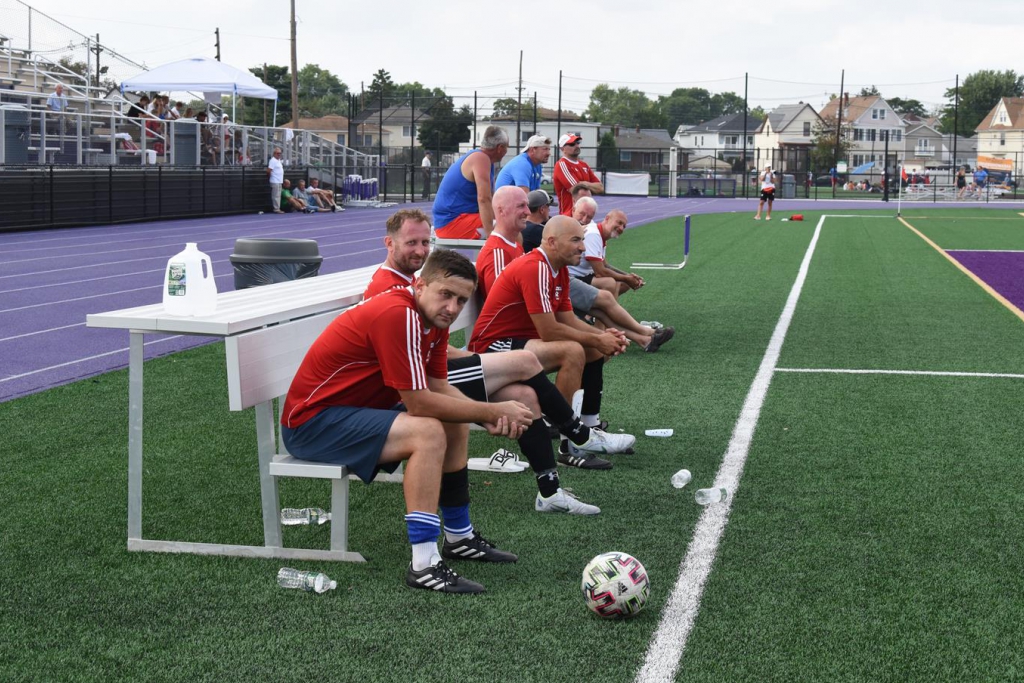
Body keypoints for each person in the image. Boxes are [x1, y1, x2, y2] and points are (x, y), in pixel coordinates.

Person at [282, 249, 533, 593]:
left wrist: (484, 415)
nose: (452, 307)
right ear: (420, 285)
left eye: (461, 300)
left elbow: (439, 387)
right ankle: (424, 564)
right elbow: (418, 403)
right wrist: (490, 412)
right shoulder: (397, 313)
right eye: (446, 294)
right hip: (310, 424)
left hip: (350, 413)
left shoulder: (432, 318)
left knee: (451, 421)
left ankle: (459, 536)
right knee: (427, 430)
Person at [365, 207, 612, 496]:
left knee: (524, 395)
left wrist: (478, 361)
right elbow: (413, 363)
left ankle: (550, 491)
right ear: (389, 243)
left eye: (424, 242)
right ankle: (578, 433)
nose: (420, 251)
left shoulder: (412, 282)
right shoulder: (388, 289)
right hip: (408, 388)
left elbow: (432, 348)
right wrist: (487, 377)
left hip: (431, 373)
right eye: (411, 243)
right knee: (526, 361)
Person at [470, 215, 636, 462]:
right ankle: (570, 445)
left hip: (518, 343)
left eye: (582, 240)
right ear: (552, 242)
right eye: (576, 240)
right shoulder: (535, 267)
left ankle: (590, 425)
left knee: (592, 350)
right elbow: (549, 331)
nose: (583, 247)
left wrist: (602, 337)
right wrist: (597, 339)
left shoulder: (557, 269)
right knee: (573, 351)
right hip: (491, 348)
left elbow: (567, 320)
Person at [568, 199, 674, 353]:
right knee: (609, 285)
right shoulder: (592, 234)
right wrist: (627, 278)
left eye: (624, 225)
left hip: (575, 278)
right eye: (619, 223)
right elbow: (600, 271)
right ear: (607, 219)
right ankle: (645, 332)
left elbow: (604, 265)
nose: (621, 228)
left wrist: (628, 277)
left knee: (613, 294)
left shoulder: (596, 234)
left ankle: (645, 341)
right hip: (570, 280)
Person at [432, 125, 509, 239]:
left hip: (454, 220)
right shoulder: (481, 158)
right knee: (509, 227)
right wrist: (491, 236)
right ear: (500, 148)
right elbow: (484, 199)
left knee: (508, 220)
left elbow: (491, 200)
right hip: (452, 224)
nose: (507, 151)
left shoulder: (483, 159)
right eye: (507, 147)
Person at [552, 134, 604, 216]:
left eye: (577, 143)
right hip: (569, 216)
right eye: (572, 144)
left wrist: (584, 184)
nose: (576, 146)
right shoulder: (562, 164)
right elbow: (577, 190)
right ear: (562, 148)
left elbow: (600, 188)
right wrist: (589, 186)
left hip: (584, 216)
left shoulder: (584, 165)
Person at [267, 147, 285, 213]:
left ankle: (277, 208)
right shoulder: (273, 160)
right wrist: (270, 177)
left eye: (280, 153)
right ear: (274, 153)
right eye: (277, 153)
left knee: (278, 195)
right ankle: (276, 209)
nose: (279, 154)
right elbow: (268, 170)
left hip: (279, 180)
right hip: (275, 180)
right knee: (276, 195)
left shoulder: (278, 160)